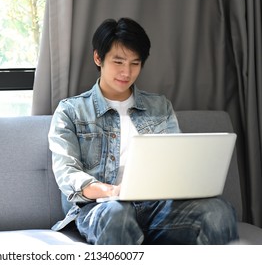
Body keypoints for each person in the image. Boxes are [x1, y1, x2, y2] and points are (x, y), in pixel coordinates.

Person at [48, 17, 239, 244]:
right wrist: (112, 191)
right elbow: (67, 173)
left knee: (218, 211)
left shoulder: (160, 107)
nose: (126, 72)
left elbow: (175, 163)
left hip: (156, 208)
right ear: (98, 58)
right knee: (118, 215)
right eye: (118, 62)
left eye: (135, 63)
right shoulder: (71, 110)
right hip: (102, 209)